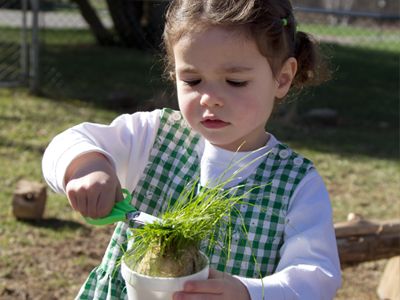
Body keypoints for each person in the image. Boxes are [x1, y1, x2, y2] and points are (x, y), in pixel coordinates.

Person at [42, 0, 341, 299]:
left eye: (235, 82)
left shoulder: (297, 183)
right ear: (174, 72)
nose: (210, 98)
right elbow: (68, 142)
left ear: (282, 78)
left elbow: (316, 277)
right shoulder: (153, 136)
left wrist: (248, 292)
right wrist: (86, 167)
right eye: (193, 80)